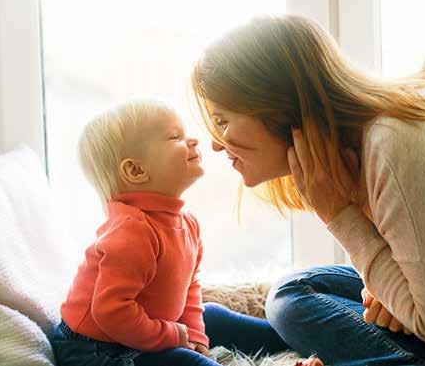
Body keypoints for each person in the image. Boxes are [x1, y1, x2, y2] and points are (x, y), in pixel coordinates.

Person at [191, 15, 425, 366]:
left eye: (222, 121)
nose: (216, 145)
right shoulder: (367, 147)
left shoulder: (390, 145)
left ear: (274, 104)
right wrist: (391, 291)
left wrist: (338, 215)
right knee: (294, 290)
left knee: (290, 299)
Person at [50, 98, 287, 366]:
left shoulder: (187, 223)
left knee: (213, 315)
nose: (193, 141)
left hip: (143, 330)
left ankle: (293, 340)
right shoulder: (131, 233)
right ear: (136, 170)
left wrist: (195, 334)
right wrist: (173, 336)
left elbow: (190, 288)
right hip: (96, 350)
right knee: (186, 361)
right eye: (175, 137)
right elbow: (111, 312)